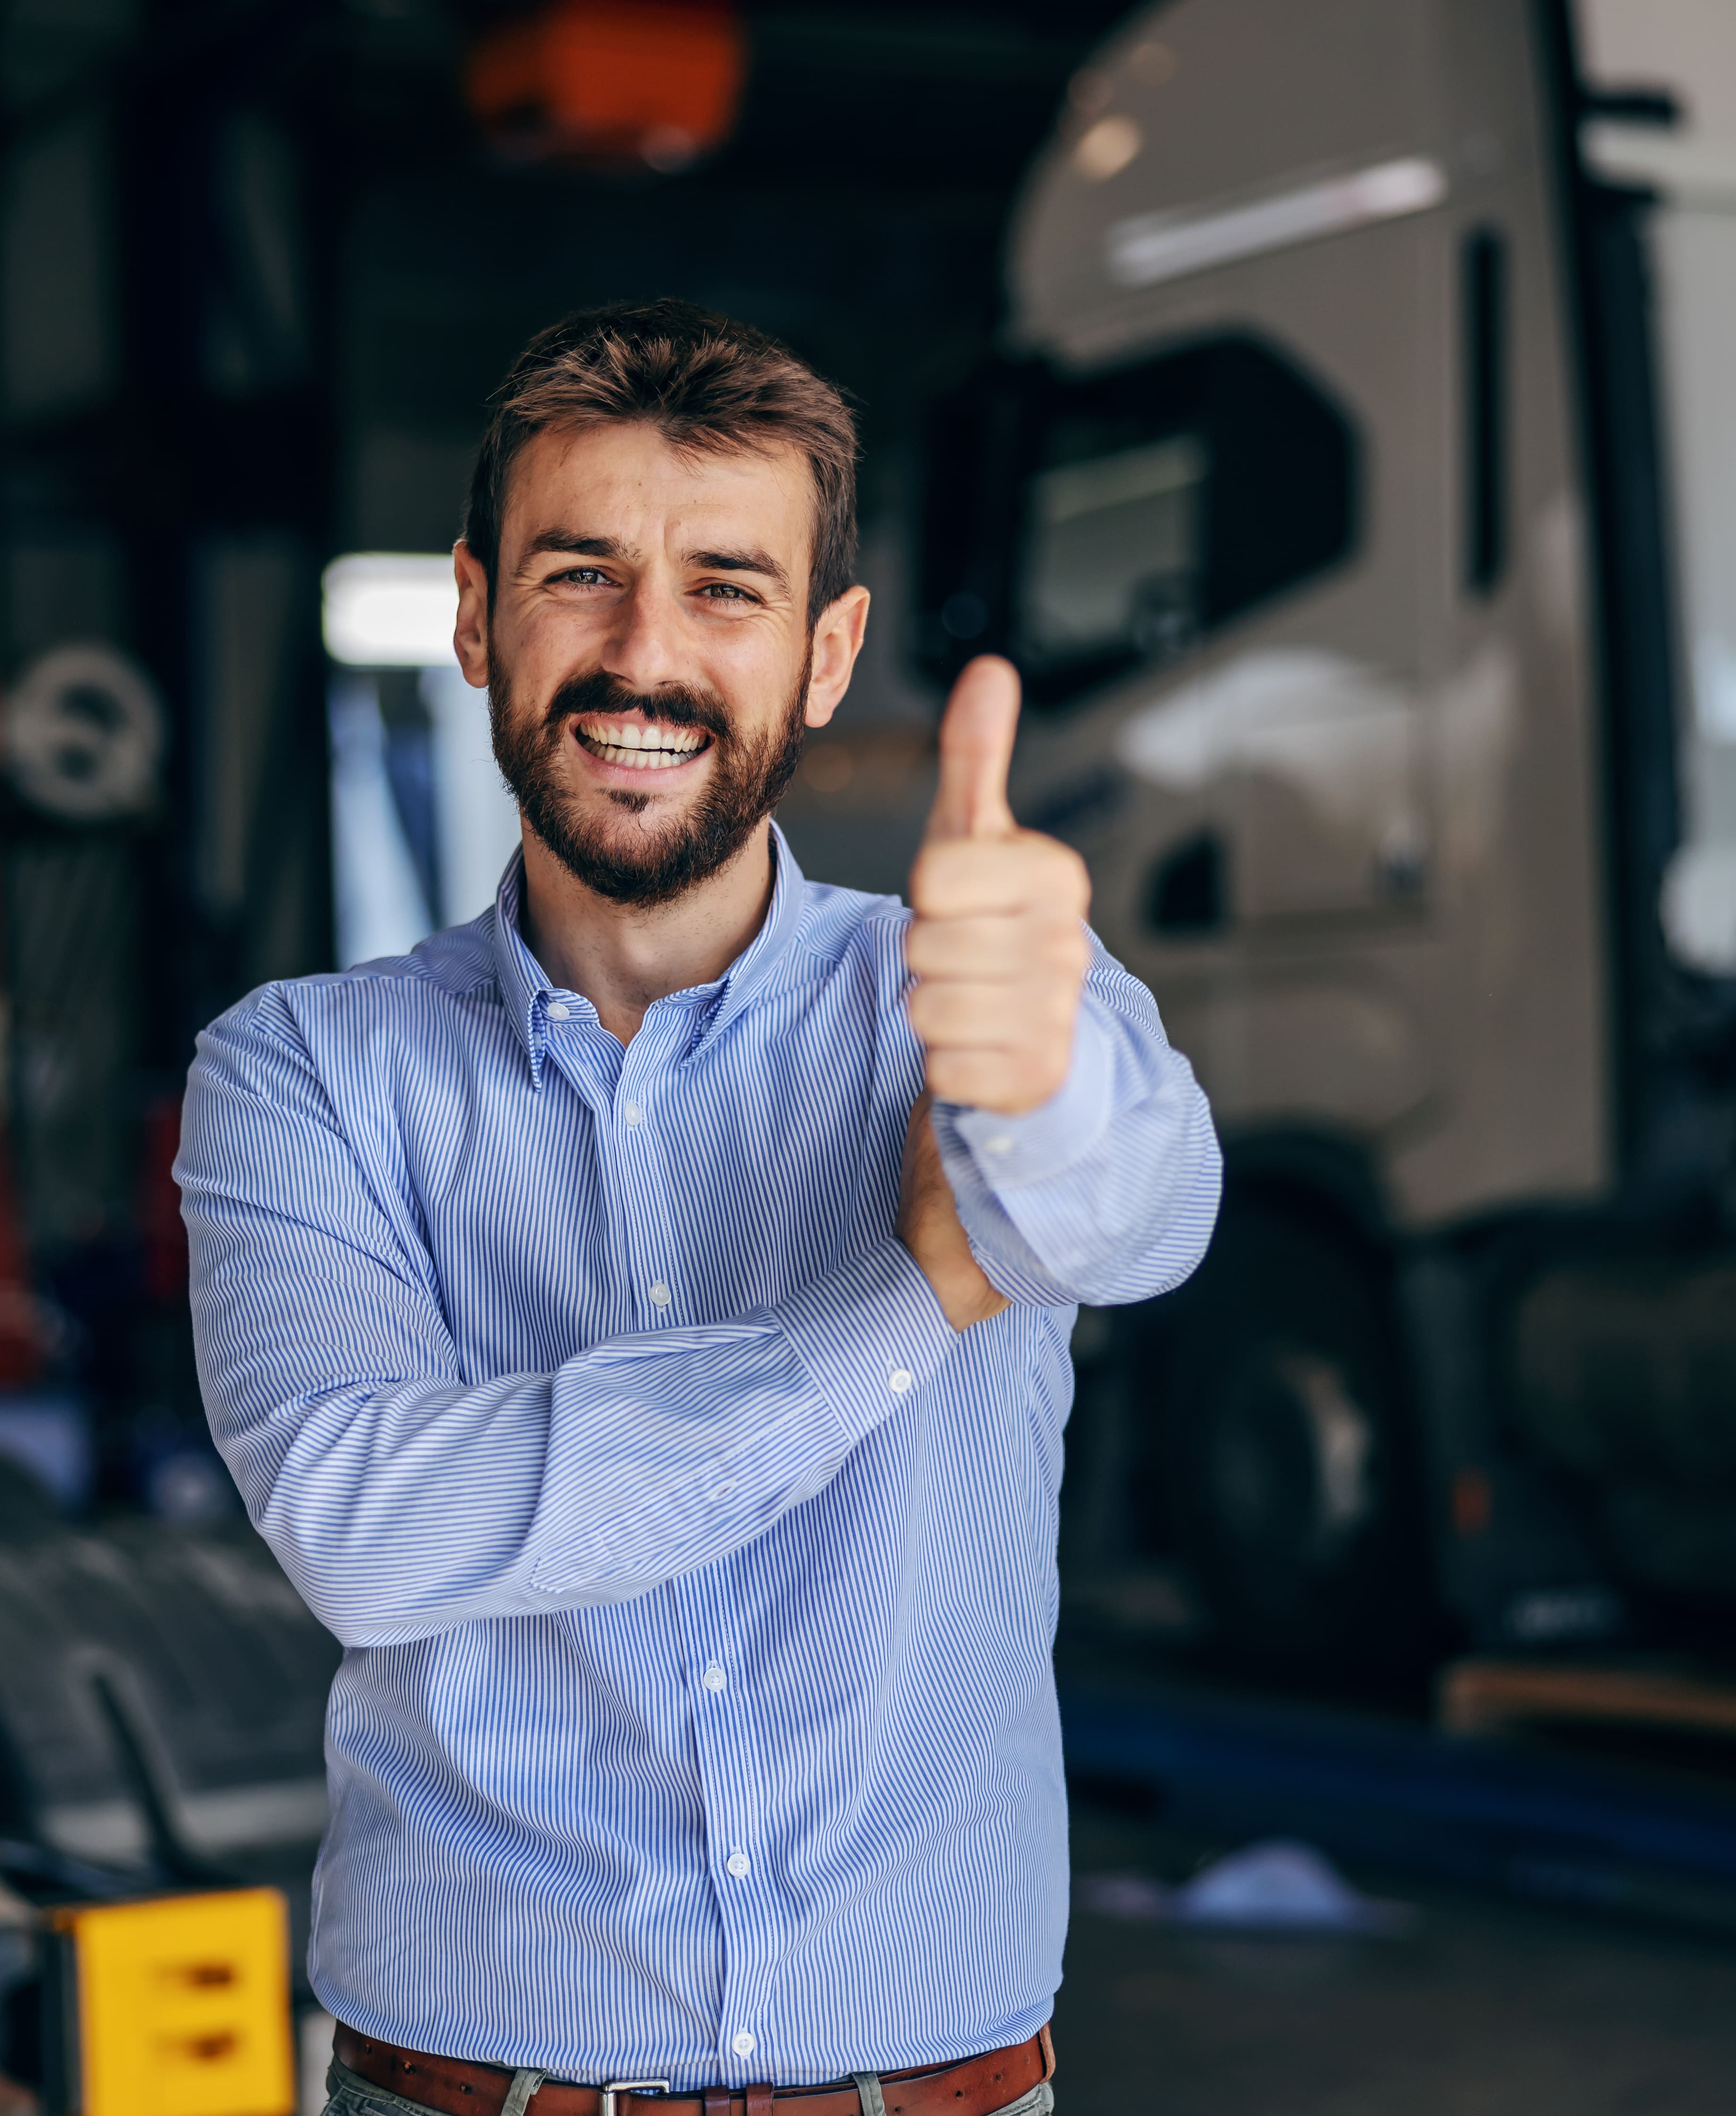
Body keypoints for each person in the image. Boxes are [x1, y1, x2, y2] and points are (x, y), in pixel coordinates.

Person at [180, 300, 1220, 2116]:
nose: (644, 655)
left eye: (727, 589)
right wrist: (900, 1300)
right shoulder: (304, 1074)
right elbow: (366, 1531)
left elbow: (1136, 1220)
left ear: (827, 656)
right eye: (581, 574)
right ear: (474, 611)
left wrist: (1040, 1078)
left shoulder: (982, 995)